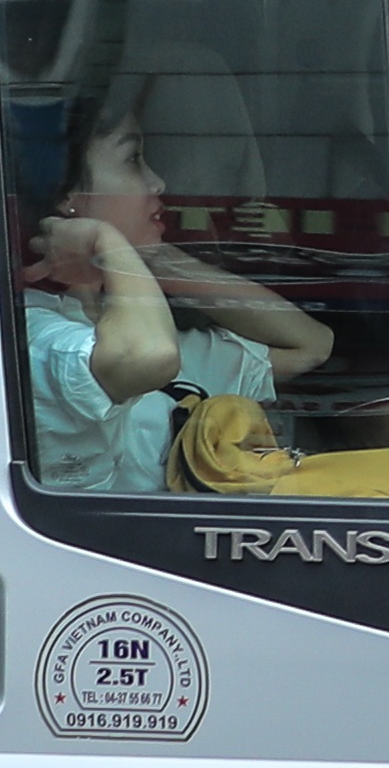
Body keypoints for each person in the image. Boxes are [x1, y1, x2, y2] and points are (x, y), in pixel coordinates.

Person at [19, 100, 332, 494]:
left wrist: (161, 260)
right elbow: (148, 356)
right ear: (68, 196)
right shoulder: (35, 337)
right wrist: (108, 240)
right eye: (133, 160)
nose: (157, 184)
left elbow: (312, 346)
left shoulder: (159, 336)